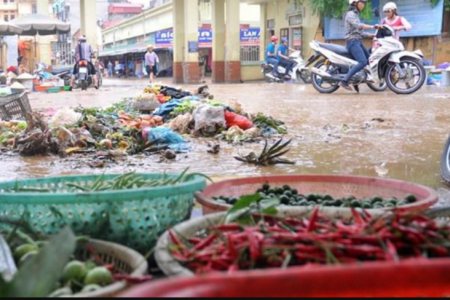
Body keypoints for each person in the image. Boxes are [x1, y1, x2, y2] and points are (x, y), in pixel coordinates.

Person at [339, 0, 380, 91]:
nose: (364, 5)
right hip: (352, 42)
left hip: (357, 42)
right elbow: (359, 25)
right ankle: (344, 81)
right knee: (362, 62)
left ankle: (356, 81)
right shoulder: (350, 14)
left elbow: (360, 33)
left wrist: (371, 35)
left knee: (369, 60)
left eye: (364, 3)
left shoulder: (355, 15)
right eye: (362, 2)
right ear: (355, 3)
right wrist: (373, 26)